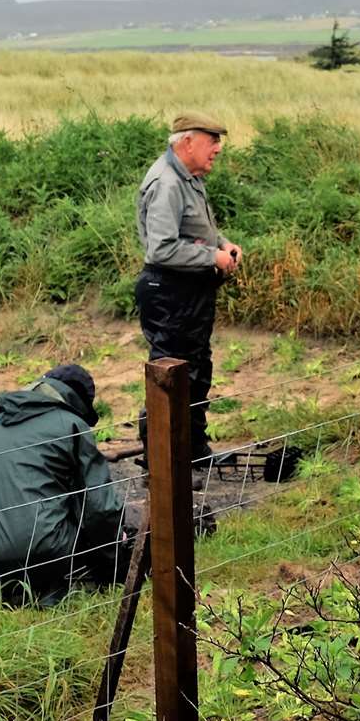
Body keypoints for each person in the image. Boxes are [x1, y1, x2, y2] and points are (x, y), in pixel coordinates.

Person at [0, 365, 134, 605]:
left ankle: (5, 592)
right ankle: (51, 593)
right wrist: (115, 562)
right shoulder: (72, 425)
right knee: (82, 517)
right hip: (37, 553)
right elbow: (100, 508)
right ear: (78, 401)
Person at [135, 113, 242, 487]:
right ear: (186, 142)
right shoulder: (166, 183)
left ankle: (192, 450)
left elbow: (196, 230)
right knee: (170, 376)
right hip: (169, 293)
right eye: (212, 140)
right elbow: (161, 249)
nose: (218, 148)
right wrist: (211, 258)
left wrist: (222, 245)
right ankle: (160, 466)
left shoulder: (189, 178)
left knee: (196, 371)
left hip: (190, 292)